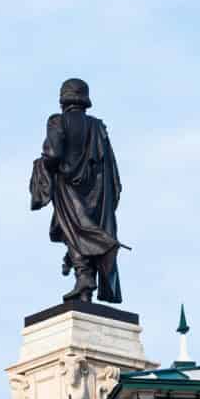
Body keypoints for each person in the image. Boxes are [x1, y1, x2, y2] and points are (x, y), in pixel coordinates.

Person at [30, 77, 123, 304]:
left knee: (72, 229)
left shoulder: (57, 122)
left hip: (68, 189)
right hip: (98, 194)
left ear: (63, 99)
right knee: (84, 232)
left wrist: (40, 166)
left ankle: (84, 278)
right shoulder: (97, 127)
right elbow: (111, 170)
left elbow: (52, 153)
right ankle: (84, 283)